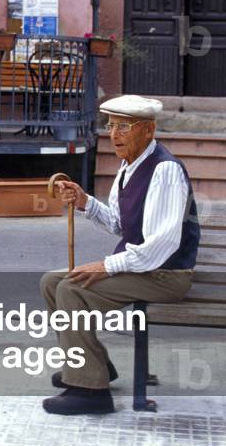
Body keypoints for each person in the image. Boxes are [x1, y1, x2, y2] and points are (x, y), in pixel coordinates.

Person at [39, 94, 200, 415]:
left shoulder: (165, 171)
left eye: (124, 127)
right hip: (145, 268)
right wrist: (85, 201)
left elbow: (162, 244)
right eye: (111, 126)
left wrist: (108, 266)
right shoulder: (129, 167)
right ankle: (93, 366)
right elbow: (118, 223)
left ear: (149, 130)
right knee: (50, 282)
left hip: (166, 274)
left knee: (71, 289)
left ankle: (90, 392)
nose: (114, 135)